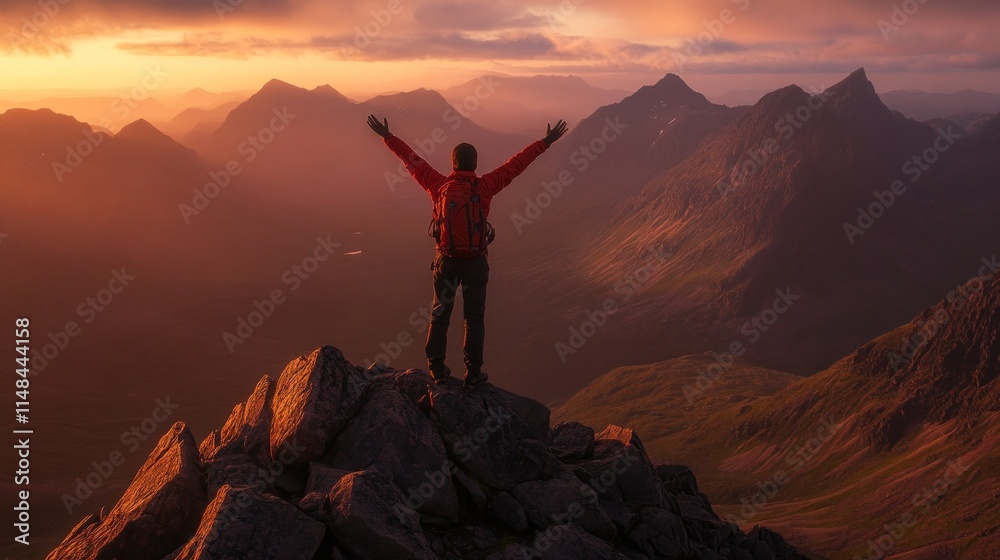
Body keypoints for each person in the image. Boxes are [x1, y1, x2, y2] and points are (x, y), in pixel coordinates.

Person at [367, 114, 568, 387]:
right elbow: (516, 165)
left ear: (453, 164)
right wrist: (545, 142)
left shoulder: (438, 185)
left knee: (440, 314)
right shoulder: (484, 186)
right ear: (475, 165)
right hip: (475, 262)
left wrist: (388, 137)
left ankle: (436, 368)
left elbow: (411, 160)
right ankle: (473, 374)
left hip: (446, 260)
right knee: (473, 318)